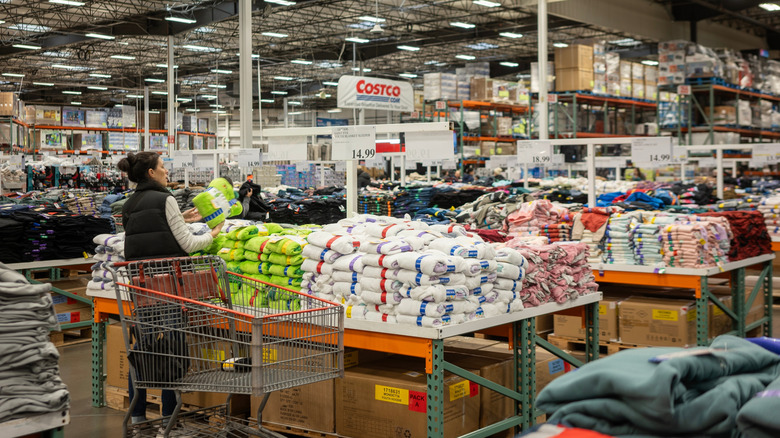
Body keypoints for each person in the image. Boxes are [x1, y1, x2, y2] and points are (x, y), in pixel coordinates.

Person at [117, 152, 223, 435]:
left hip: (141, 288)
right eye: (162, 167)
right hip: (169, 287)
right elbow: (187, 244)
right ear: (151, 173)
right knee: (172, 348)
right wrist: (212, 234)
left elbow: (151, 235)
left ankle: (137, 416)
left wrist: (181, 218)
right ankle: (168, 416)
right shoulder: (165, 199)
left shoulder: (130, 204)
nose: (166, 171)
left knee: (144, 348)